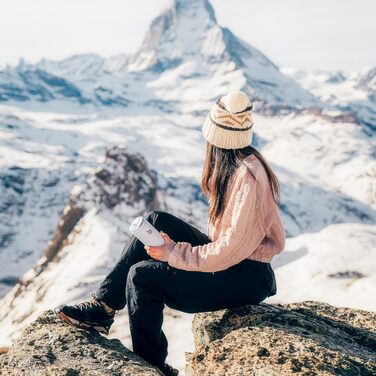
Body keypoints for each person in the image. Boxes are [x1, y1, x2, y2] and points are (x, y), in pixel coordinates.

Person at [54, 90, 286, 376]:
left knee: (142, 276)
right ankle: (102, 308)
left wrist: (174, 253)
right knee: (155, 220)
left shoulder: (249, 180)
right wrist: (173, 250)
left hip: (246, 277)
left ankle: (152, 366)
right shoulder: (240, 164)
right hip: (237, 266)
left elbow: (229, 251)